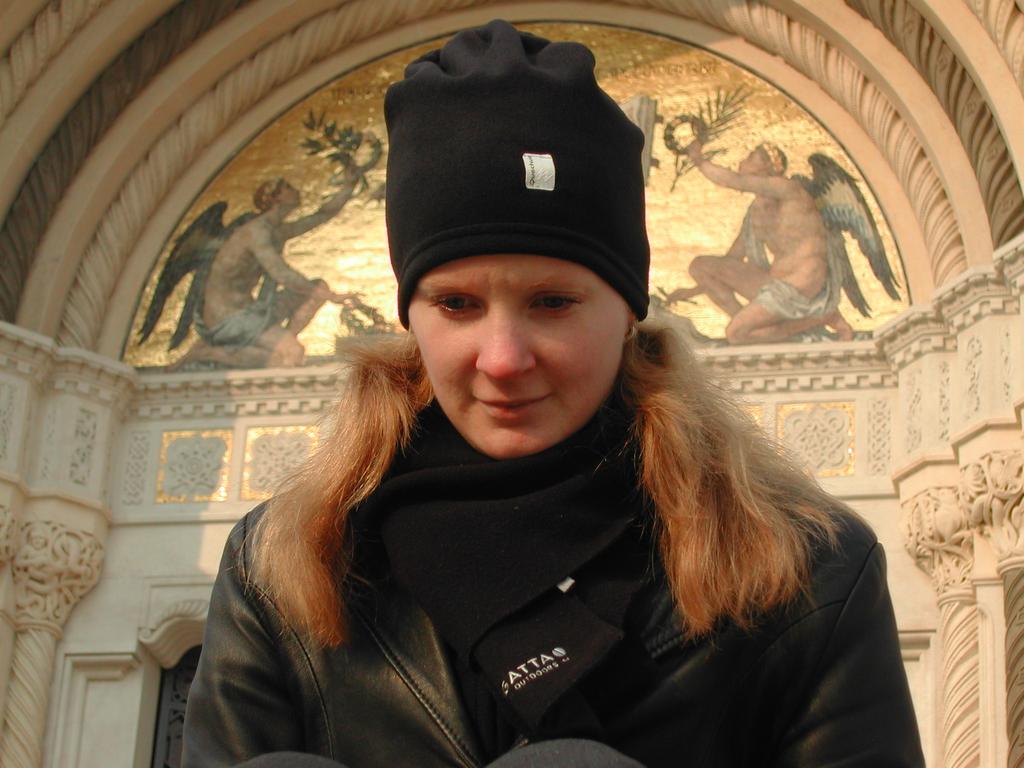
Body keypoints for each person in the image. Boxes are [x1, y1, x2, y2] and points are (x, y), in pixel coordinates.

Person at [181, 20, 924, 767]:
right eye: (457, 305)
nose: (503, 360)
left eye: (553, 303)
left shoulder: (801, 572)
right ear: (410, 315)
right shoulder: (285, 563)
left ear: (629, 310)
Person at [664, 141, 855, 343]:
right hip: (774, 284)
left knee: (736, 334)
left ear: (769, 166)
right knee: (701, 266)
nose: (741, 161)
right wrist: (694, 291)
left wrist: (699, 160)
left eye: (750, 156)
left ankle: (819, 318)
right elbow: (731, 261)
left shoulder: (788, 189)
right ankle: (752, 321)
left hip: (802, 282)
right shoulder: (755, 212)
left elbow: (734, 181)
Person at [189, 177, 359, 368]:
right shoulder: (257, 232)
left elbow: (322, 215)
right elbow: (281, 274)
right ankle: (210, 352)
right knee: (294, 353)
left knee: (317, 287)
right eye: (288, 187)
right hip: (227, 318)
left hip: (253, 311)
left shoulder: (276, 230)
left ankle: (279, 344)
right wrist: (332, 296)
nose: (296, 190)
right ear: (275, 198)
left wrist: (350, 183)